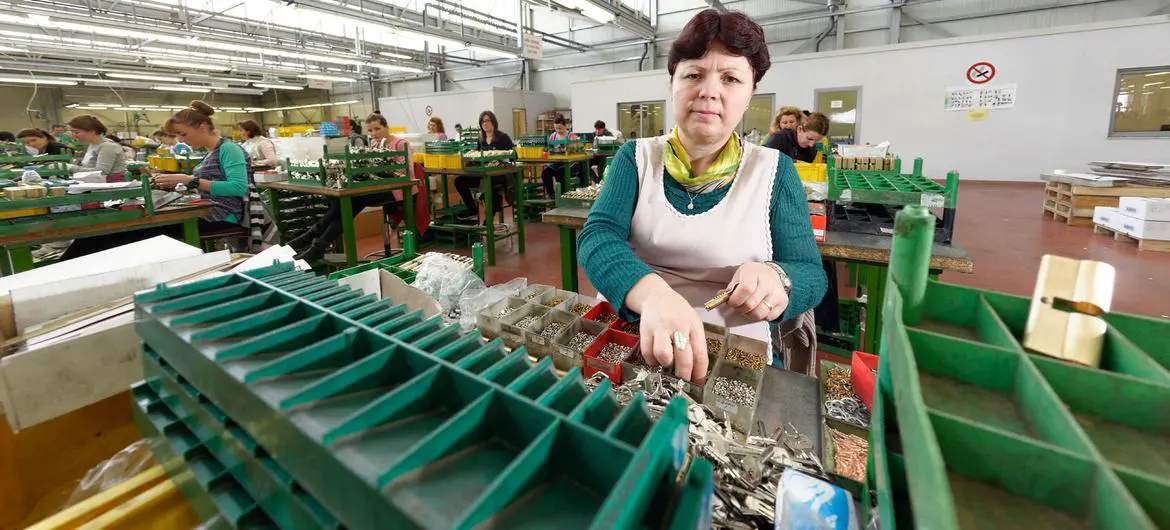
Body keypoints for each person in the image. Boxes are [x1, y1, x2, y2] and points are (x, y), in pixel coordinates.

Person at [577, 9, 826, 382]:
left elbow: (810, 273)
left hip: (732, 347)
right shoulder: (638, 157)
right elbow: (597, 237)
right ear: (673, 82)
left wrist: (779, 279)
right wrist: (653, 296)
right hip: (631, 330)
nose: (709, 91)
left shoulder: (773, 171)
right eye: (694, 74)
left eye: (730, 78)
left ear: (751, 92)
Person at [60, 101, 251, 259]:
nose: (182, 140)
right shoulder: (210, 153)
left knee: (124, 233)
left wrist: (189, 180)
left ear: (202, 128)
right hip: (205, 211)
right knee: (106, 233)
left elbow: (237, 187)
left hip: (222, 216)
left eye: (183, 134)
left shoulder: (228, 149)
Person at [288, 113, 410, 261]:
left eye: (377, 129)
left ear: (386, 127)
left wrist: (379, 171)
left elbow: (405, 171)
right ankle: (317, 244)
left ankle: (311, 237)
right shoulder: (375, 145)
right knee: (343, 202)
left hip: (397, 190)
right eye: (370, 131)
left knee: (353, 201)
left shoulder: (400, 143)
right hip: (374, 187)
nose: (374, 133)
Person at [453, 110, 514, 221]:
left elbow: (514, 155)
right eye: (482, 121)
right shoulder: (481, 140)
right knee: (459, 181)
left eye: (487, 120)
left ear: (494, 122)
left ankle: (489, 218)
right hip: (483, 173)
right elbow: (477, 156)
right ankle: (472, 209)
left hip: (498, 174)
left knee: (489, 184)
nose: (485, 123)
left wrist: (502, 156)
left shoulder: (503, 137)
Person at [66, 116, 127, 182]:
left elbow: (101, 172)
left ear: (92, 131)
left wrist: (71, 168)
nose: (73, 135)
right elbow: (90, 167)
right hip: (97, 183)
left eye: (76, 132)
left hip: (112, 186)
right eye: (72, 132)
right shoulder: (92, 145)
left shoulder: (107, 146)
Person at [541, 116, 579, 198]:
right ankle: (552, 194)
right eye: (556, 128)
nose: (558, 131)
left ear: (565, 126)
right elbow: (548, 148)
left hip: (568, 164)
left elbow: (576, 148)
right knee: (545, 174)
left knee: (561, 175)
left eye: (560, 128)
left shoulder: (571, 136)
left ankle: (563, 196)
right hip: (555, 163)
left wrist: (571, 147)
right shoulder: (553, 136)